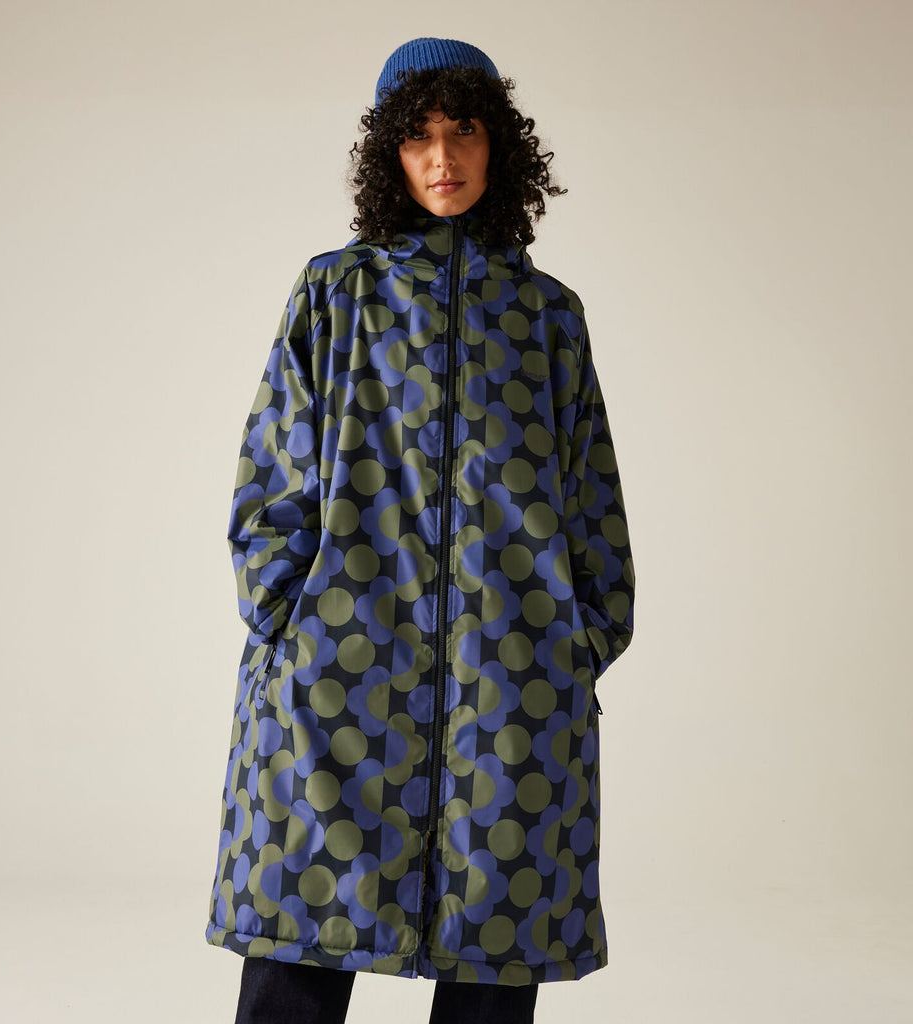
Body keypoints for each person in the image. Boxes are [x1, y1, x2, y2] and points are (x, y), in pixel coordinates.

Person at [205, 36, 636, 1024]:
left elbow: (591, 496)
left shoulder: (546, 317)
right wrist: (289, 619)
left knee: (493, 959)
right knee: (297, 949)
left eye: (463, 131)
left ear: (500, 146)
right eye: (418, 137)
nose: (443, 158)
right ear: (387, 155)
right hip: (333, 681)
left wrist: (575, 641)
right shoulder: (335, 294)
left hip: (512, 688)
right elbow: (270, 477)